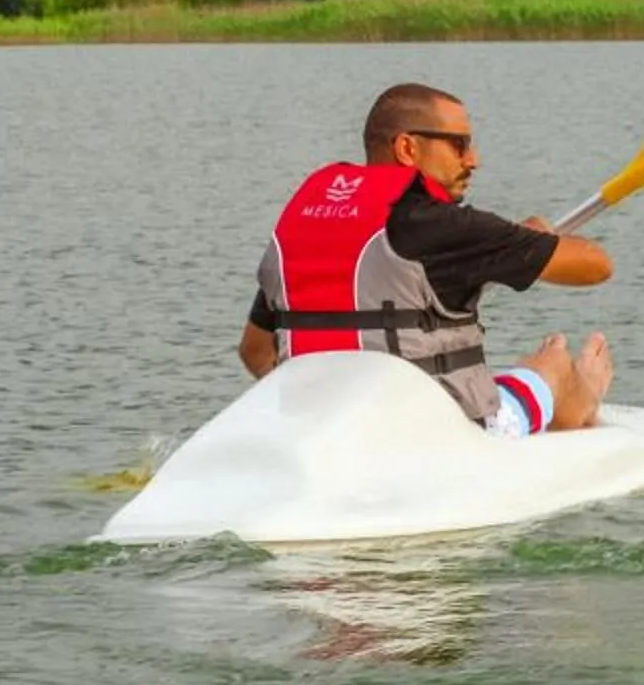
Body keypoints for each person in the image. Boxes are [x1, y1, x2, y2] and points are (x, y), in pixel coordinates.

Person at [238, 82, 615, 435]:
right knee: (555, 364)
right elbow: (595, 265)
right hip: (435, 436)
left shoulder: (303, 227)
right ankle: (585, 395)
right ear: (407, 149)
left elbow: (254, 351)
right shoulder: (443, 224)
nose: (473, 159)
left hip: (323, 433)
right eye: (459, 144)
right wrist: (528, 239)